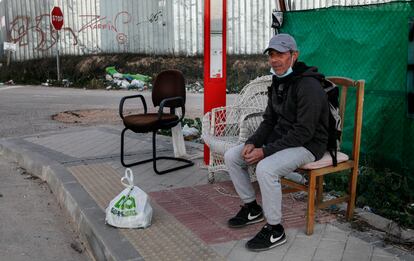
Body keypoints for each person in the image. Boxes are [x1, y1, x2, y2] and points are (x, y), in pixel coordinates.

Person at [224, 33, 329, 252]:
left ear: (294, 55)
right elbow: (269, 120)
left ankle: (275, 229)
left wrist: (265, 151)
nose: (275, 59)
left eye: (280, 54)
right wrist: (253, 142)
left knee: (266, 169)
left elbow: (304, 131)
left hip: (309, 144)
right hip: (284, 139)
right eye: (271, 54)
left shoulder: (308, 85)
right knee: (232, 156)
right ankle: (252, 208)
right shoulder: (278, 81)